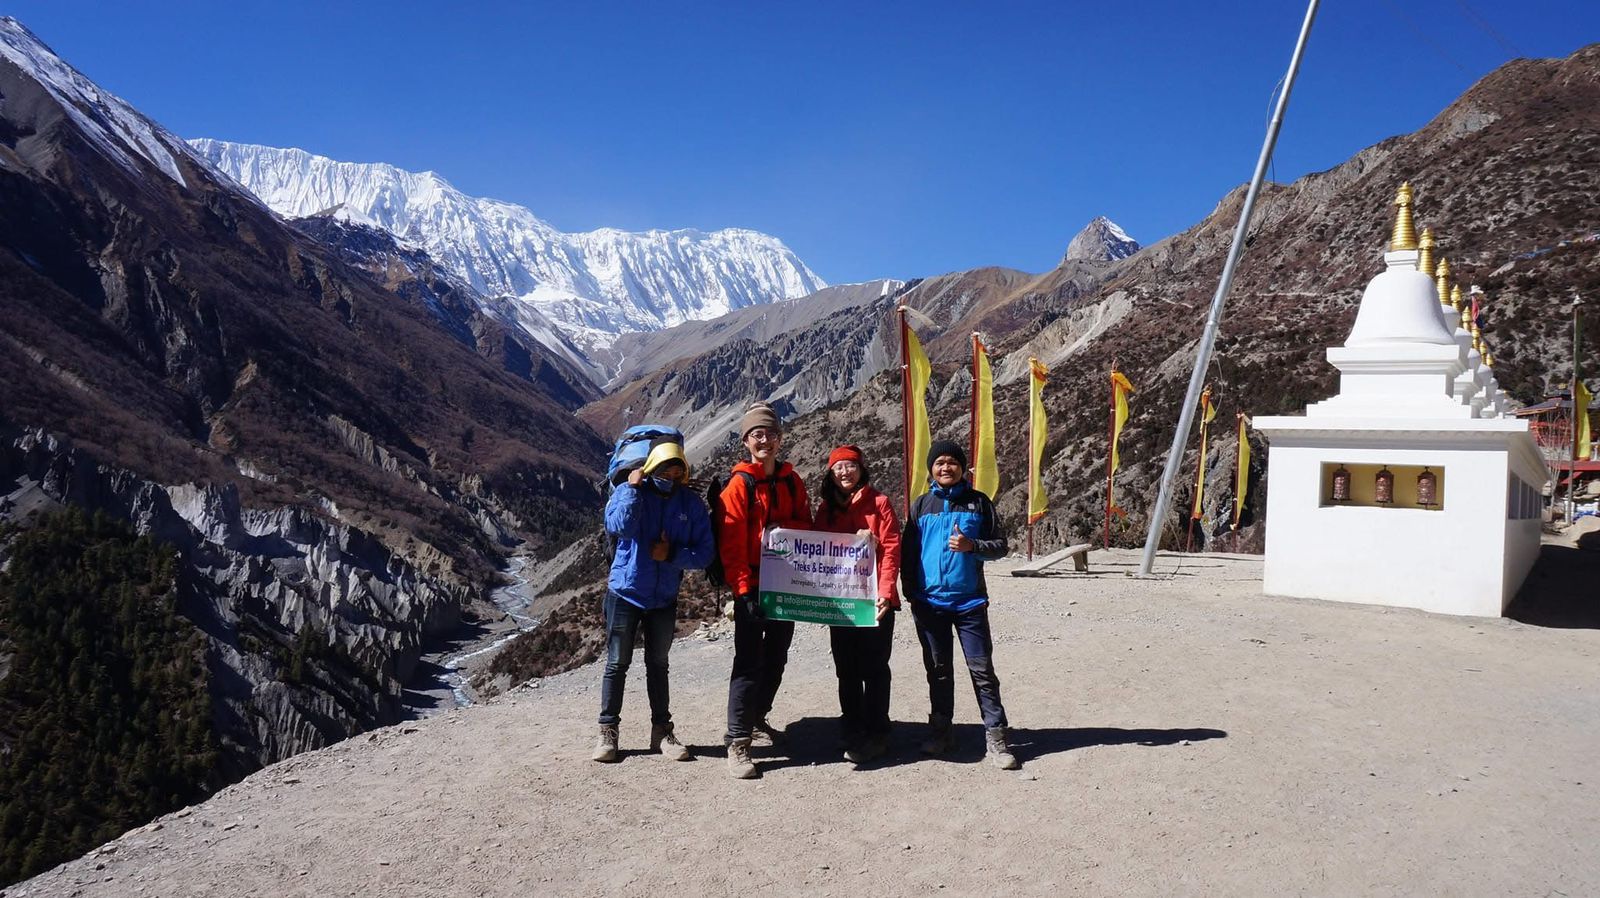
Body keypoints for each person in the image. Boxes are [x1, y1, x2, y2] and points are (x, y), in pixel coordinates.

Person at [901, 439, 1019, 770]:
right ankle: (941, 731)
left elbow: (1000, 546)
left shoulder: (979, 503)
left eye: (952, 462)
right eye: (939, 463)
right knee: (938, 672)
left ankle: (996, 736)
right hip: (929, 604)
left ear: (962, 467)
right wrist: (910, 593)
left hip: (969, 603)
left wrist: (973, 545)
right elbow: (908, 555)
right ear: (931, 469)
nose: (945, 468)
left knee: (982, 671)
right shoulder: (921, 505)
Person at [593, 440, 714, 763]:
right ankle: (608, 731)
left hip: (663, 597)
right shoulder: (630, 493)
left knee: (658, 665)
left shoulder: (690, 504)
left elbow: (705, 553)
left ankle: (662, 731)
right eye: (664, 469)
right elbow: (619, 526)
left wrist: (671, 554)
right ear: (651, 469)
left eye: (677, 470)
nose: (671, 475)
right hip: (626, 591)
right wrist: (632, 490)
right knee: (617, 663)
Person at [718, 402, 812, 779]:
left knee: (777, 657)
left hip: (784, 585)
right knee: (747, 662)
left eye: (770, 434)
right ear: (746, 441)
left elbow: (804, 524)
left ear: (780, 438)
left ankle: (758, 716)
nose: (764, 440)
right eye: (757, 434)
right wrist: (742, 591)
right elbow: (732, 543)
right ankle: (738, 742)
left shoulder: (793, 481)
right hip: (754, 586)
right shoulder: (738, 486)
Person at [813, 444, 901, 766]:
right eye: (839, 468)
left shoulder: (879, 503)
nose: (845, 472)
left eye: (850, 466)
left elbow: (892, 550)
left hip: (875, 600)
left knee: (875, 668)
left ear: (861, 469)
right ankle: (851, 726)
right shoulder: (826, 509)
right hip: (841, 601)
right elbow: (817, 551)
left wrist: (886, 591)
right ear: (831, 473)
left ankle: (878, 730)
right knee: (846, 669)